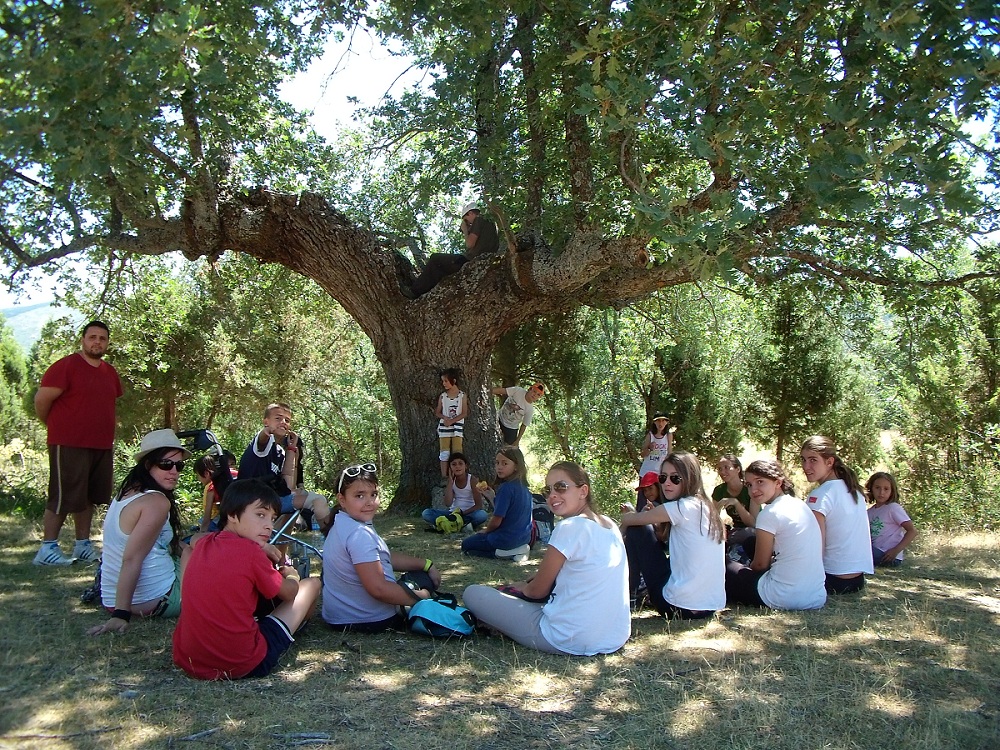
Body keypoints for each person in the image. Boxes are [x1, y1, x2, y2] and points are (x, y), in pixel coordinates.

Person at [463, 461, 630, 655]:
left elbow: (535, 591)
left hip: (567, 638)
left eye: (561, 487)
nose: (552, 495)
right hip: (615, 636)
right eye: (548, 490)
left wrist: (518, 588)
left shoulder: (570, 527)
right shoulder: (609, 525)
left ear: (583, 491)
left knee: (472, 593)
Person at [172, 479, 321, 679]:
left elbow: (195, 540)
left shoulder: (206, 542)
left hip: (190, 660)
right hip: (242, 663)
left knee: (189, 554)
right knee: (312, 584)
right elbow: (289, 593)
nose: (268, 526)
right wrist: (292, 575)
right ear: (232, 515)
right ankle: (292, 630)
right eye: (260, 515)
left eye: (272, 518)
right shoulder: (251, 554)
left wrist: (262, 546)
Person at [33, 320, 123, 566]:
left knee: (89, 497)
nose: (97, 342)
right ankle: (47, 549)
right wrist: (55, 427)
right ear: (83, 340)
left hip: (101, 444)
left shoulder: (109, 372)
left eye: (102, 338)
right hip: (68, 442)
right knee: (63, 496)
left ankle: (83, 545)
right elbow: (42, 401)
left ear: (107, 343)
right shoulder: (65, 367)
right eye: (92, 337)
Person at [87, 430, 190, 636]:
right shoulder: (157, 502)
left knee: (195, 546)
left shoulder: (126, 493)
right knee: (197, 554)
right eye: (166, 464)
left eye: (179, 466)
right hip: (157, 599)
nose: (174, 471)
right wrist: (121, 614)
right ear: (148, 464)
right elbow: (132, 558)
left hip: (110, 597)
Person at [322, 463, 443, 632]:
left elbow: (381, 556)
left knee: (420, 573)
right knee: (422, 580)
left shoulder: (343, 523)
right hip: (367, 619)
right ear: (342, 499)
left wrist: (426, 564)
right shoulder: (358, 534)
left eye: (374, 494)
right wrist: (420, 598)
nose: (369, 502)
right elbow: (378, 589)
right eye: (359, 496)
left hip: (339, 616)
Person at [620, 452, 726, 619]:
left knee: (637, 530)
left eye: (675, 478)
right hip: (709, 606)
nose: (666, 483)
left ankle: (629, 594)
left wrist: (628, 518)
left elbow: (631, 520)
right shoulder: (706, 507)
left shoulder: (681, 507)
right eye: (662, 478)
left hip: (677, 606)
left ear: (690, 478)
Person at [725, 459, 826, 610]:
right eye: (749, 484)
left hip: (781, 597)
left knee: (723, 565)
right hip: (816, 596)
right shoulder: (800, 505)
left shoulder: (770, 513)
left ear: (778, 483)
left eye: (760, 482)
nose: (753, 490)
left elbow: (760, 565)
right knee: (750, 542)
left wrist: (745, 567)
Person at [238, 402, 332, 532]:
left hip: (271, 500)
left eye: (287, 420)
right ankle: (333, 540)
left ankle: (280, 551)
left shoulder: (280, 451)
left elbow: (288, 486)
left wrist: (291, 450)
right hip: (250, 501)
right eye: (278, 418)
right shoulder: (261, 444)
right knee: (318, 500)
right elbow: (262, 439)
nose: (283, 422)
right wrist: (266, 432)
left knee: (306, 500)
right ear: (266, 421)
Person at [800, 436, 874, 594]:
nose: (806, 466)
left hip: (832, 579)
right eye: (803, 460)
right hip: (857, 580)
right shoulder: (853, 490)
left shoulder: (820, 495)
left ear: (829, 462)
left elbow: (815, 544)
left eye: (813, 460)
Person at [407, 203, 500, 297]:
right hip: (485, 261)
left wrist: (465, 231)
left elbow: (469, 244)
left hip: (470, 261)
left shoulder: (479, 219)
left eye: (466, 220)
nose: (468, 224)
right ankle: (423, 285)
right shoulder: (492, 223)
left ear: (471, 213)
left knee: (435, 258)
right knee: (439, 270)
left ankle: (414, 291)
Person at [461, 446, 533, 561]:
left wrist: (486, 531)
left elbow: (497, 520)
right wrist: (492, 497)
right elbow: (507, 512)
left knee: (466, 546)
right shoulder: (524, 488)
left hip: (505, 539)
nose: (499, 467)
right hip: (524, 538)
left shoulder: (506, 488)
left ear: (516, 466)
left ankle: (502, 553)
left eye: (505, 463)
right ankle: (516, 549)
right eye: (497, 463)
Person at [421, 452, 488, 531]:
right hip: (453, 514)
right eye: (454, 464)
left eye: (460, 464)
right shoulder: (451, 481)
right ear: (450, 468)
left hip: (469, 513)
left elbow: (478, 505)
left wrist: (462, 513)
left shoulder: (472, 480)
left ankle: (449, 525)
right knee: (426, 513)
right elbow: (448, 503)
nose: (457, 467)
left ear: (465, 466)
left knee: (482, 515)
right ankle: (459, 525)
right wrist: (450, 482)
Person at [866, 472, 918, 567]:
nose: (881, 492)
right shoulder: (869, 512)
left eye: (886, 489)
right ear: (871, 489)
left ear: (892, 491)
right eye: (877, 488)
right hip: (873, 552)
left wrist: (896, 550)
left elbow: (912, 531)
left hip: (888, 556)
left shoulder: (893, 508)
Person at [435, 368, 468, 478]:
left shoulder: (462, 396)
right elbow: (437, 412)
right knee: (444, 453)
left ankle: (457, 476)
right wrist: (445, 418)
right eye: (443, 381)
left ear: (453, 381)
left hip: (457, 428)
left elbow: (464, 413)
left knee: (457, 453)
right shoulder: (443, 396)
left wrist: (452, 421)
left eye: (446, 381)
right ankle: (445, 477)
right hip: (444, 428)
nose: (443, 383)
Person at [491, 382, 545, 446]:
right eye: (534, 391)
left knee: (508, 449)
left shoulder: (530, 410)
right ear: (530, 389)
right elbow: (502, 391)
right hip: (499, 418)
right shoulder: (518, 391)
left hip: (511, 429)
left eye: (538, 394)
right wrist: (488, 391)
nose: (535, 394)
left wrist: (517, 441)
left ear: (539, 398)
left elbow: (524, 425)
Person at [194, 452, 238, 532]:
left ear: (206, 473)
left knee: (202, 521)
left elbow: (207, 518)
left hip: (219, 523)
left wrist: (201, 534)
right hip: (238, 519)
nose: (198, 479)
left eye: (198, 475)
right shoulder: (235, 477)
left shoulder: (210, 487)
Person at [638, 412, 674, 478]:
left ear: (667, 422)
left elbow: (669, 453)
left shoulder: (668, 435)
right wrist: (649, 448)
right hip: (647, 472)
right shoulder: (650, 435)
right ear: (654, 422)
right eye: (658, 420)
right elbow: (642, 455)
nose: (660, 423)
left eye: (663, 420)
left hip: (661, 473)